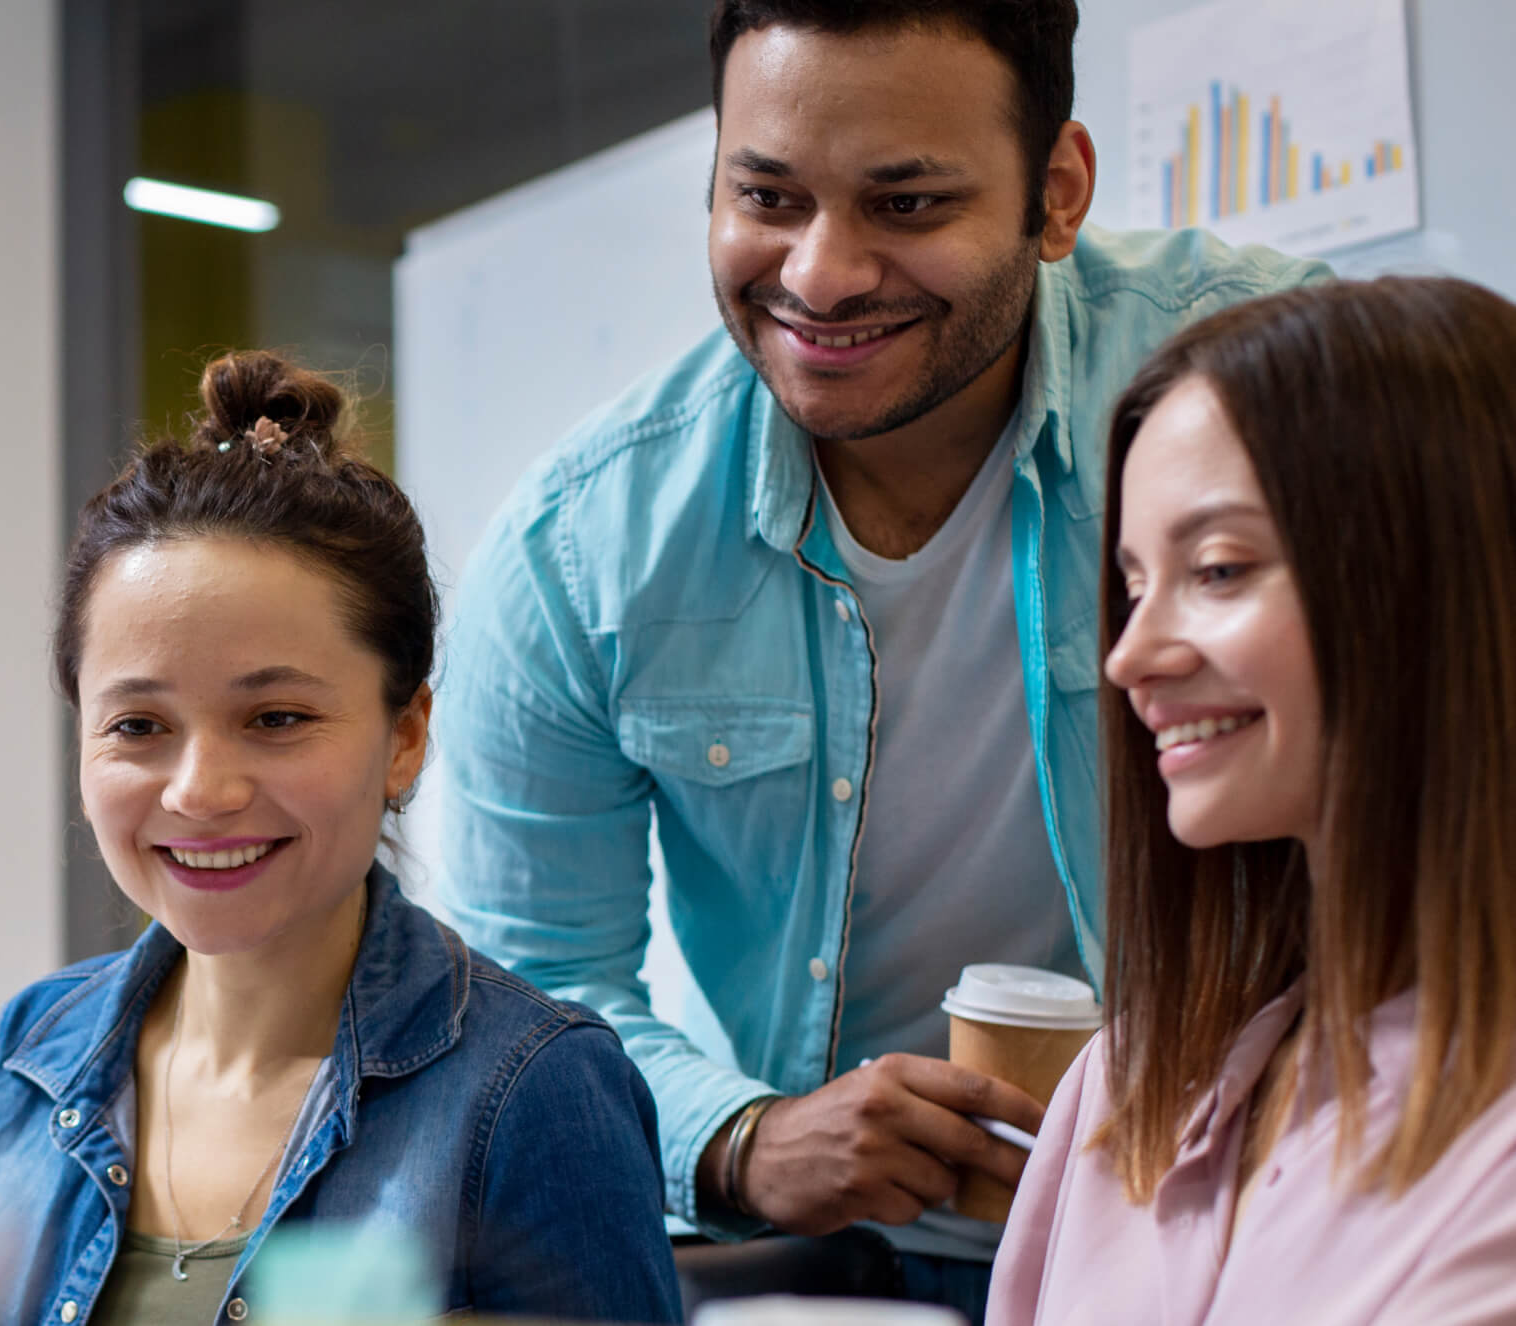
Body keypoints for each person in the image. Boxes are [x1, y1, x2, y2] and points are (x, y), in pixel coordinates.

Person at [437, 0, 1328, 1313]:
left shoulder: (1265, 376)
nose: (821, 272)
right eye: (767, 196)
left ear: (1056, 192)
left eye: (904, 205)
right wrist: (741, 1137)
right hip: (873, 1258)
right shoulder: (585, 550)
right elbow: (533, 995)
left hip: (1271, 1204)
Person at [0, 352, 683, 1326]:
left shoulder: (532, 1090)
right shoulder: (25, 1057)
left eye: (277, 719)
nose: (200, 790)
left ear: (404, 737)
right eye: (138, 726)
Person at [987, 276, 1516, 1324]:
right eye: (1133, 585)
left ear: (1440, 583)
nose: (1130, 655)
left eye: (1218, 569)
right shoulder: (1125, 1085)